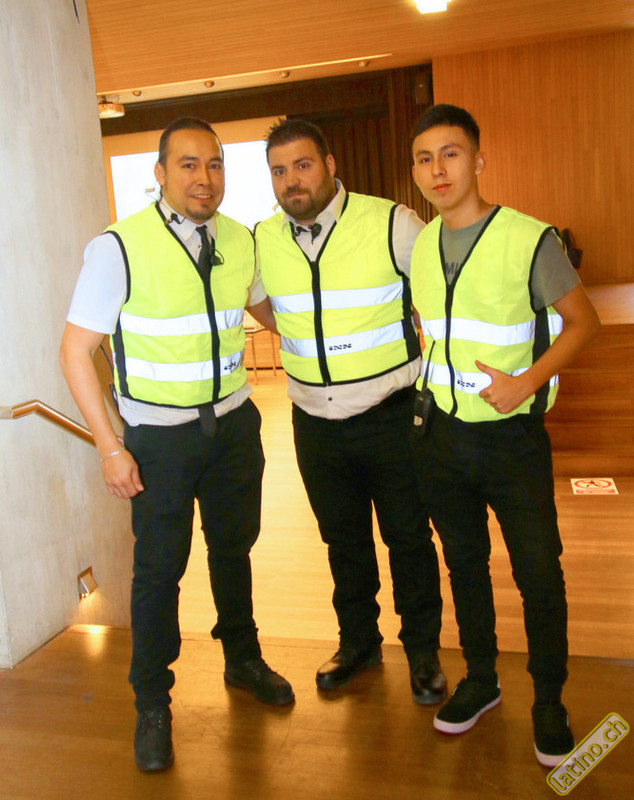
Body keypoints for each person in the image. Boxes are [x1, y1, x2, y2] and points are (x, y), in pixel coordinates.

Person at [59, 117, 294, 774]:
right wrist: (110, 447)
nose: (204, 178)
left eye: (214, 164)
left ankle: (242, 658)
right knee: (160, 571)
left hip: (234, 425)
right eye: (188, 165)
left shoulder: (240, 239)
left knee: (233, 549)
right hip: (158, 439)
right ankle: (152, 702)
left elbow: (266, 312)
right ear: (160, 174)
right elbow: (75, 352)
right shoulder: (119, 247)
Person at [408, 104, 600, 766]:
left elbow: (584, 321)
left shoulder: (527, 238)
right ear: (416, 171)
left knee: (538, 572)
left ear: (478, 160)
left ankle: (549, 700)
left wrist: (527, 382)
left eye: (451, 153)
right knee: (464, 564)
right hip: (441, 435)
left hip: (512, 439)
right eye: (425, 158)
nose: (438, 169)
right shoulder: (422, 247)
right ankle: (482, 680)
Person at [254, 119, 446, 703]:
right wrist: (304, 339)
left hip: (392, 416)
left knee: (408, 538)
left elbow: (439, 299)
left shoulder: (391, 223)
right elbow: (262, 305)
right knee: (343, 541)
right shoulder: (263, 238)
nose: (292, 181)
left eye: (303, 165)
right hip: (313, 422)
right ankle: (359, 642)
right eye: (279, 171)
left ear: (331, 164)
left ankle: (423, 652)